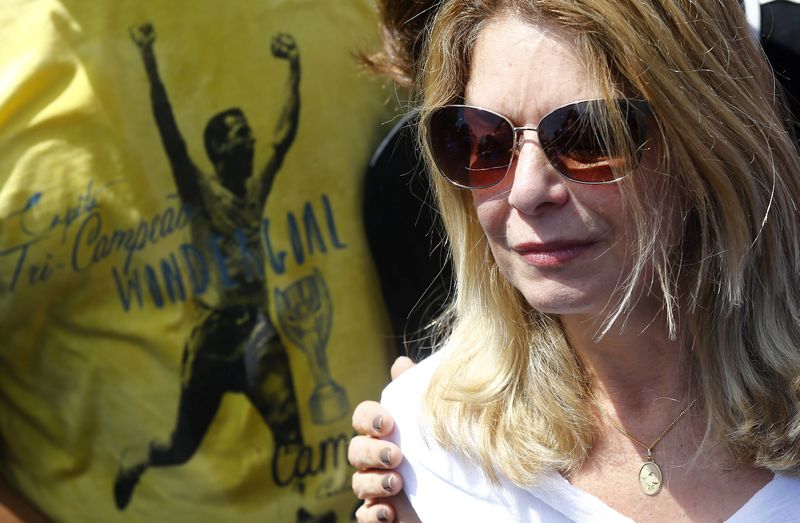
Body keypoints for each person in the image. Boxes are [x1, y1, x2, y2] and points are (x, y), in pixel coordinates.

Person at [349, 0, 800, 521]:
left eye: (590, 136)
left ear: (706, 144)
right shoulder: (429, 443)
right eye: (483, 142)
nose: (526, 191)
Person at [0, 2, 400, 521]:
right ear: (214, 151)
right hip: (213, 340)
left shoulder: (374, 16)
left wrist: (292, 72)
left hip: (260, 334)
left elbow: (282, 134)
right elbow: (168, 133)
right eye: (234, 137)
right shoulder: (199, 196)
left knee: (294, 443)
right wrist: (147, 61)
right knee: (178, 446)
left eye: (245, 135)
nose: (247, 142)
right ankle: (140, 465)